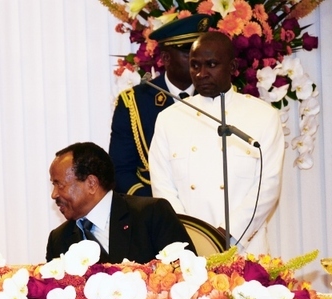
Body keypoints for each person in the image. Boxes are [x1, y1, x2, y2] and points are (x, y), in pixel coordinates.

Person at [149, 32, 285, 254]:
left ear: (232, 67)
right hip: (190, 248)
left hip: (246, 247)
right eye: (195, 65)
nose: (201, 74)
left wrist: (226, 235)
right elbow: (163, 189)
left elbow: (267, 187)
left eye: (211, 64)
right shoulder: (169, 119)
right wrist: (192, 238)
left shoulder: (263, 116)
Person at [109, 14, 212, 196]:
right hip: (155, 208)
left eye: (202, 53)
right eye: (189, 54)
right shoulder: (135, 102)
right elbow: (120, 171)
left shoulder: (216, 96)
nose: (198, 62)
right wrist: (156, 208)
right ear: (165, 58)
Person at [46, 142, 196, 264]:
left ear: (91, 183)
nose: (54, 194)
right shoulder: (59, 239)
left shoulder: (151, 214)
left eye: (59, 185)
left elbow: (187, 276)